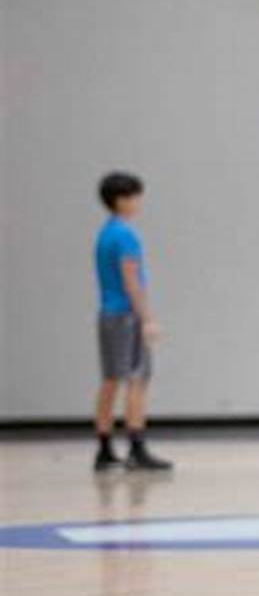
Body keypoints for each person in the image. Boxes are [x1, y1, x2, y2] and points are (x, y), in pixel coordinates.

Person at [92, 172, 172, 472]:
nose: (138, 202)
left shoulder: (105, 233)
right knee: (137, 379)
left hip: (107, 314)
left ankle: (104, 448)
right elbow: (131, 280)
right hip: (126, 315)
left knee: (110, 381)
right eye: (135, 196)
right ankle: (137, 447)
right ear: (121, 200)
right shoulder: (126, 236)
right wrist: (147, 318)